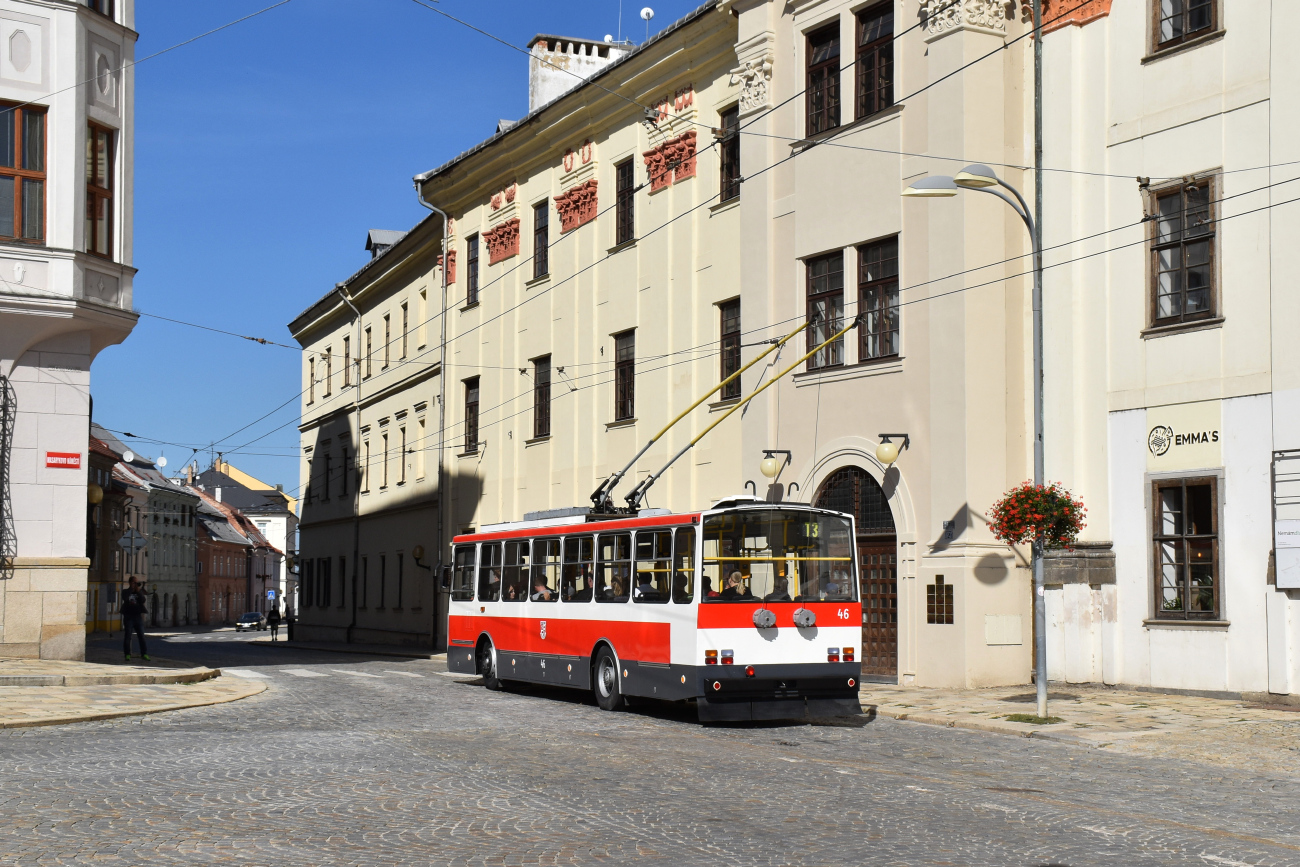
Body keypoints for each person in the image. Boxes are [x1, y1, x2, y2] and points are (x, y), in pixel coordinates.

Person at [120, 579, 150, 662]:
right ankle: (127, 654)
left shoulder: (139, 592)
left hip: (137, 616)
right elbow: (125, 598)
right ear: (130, 583)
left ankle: (144, 654)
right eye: (133, 582)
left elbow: (143, 600)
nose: (135, 584)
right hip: (128, 616)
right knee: (128, 636)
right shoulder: (125, 591)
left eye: (136, 583)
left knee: (141, 636)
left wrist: (138, 591)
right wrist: (131, 589)